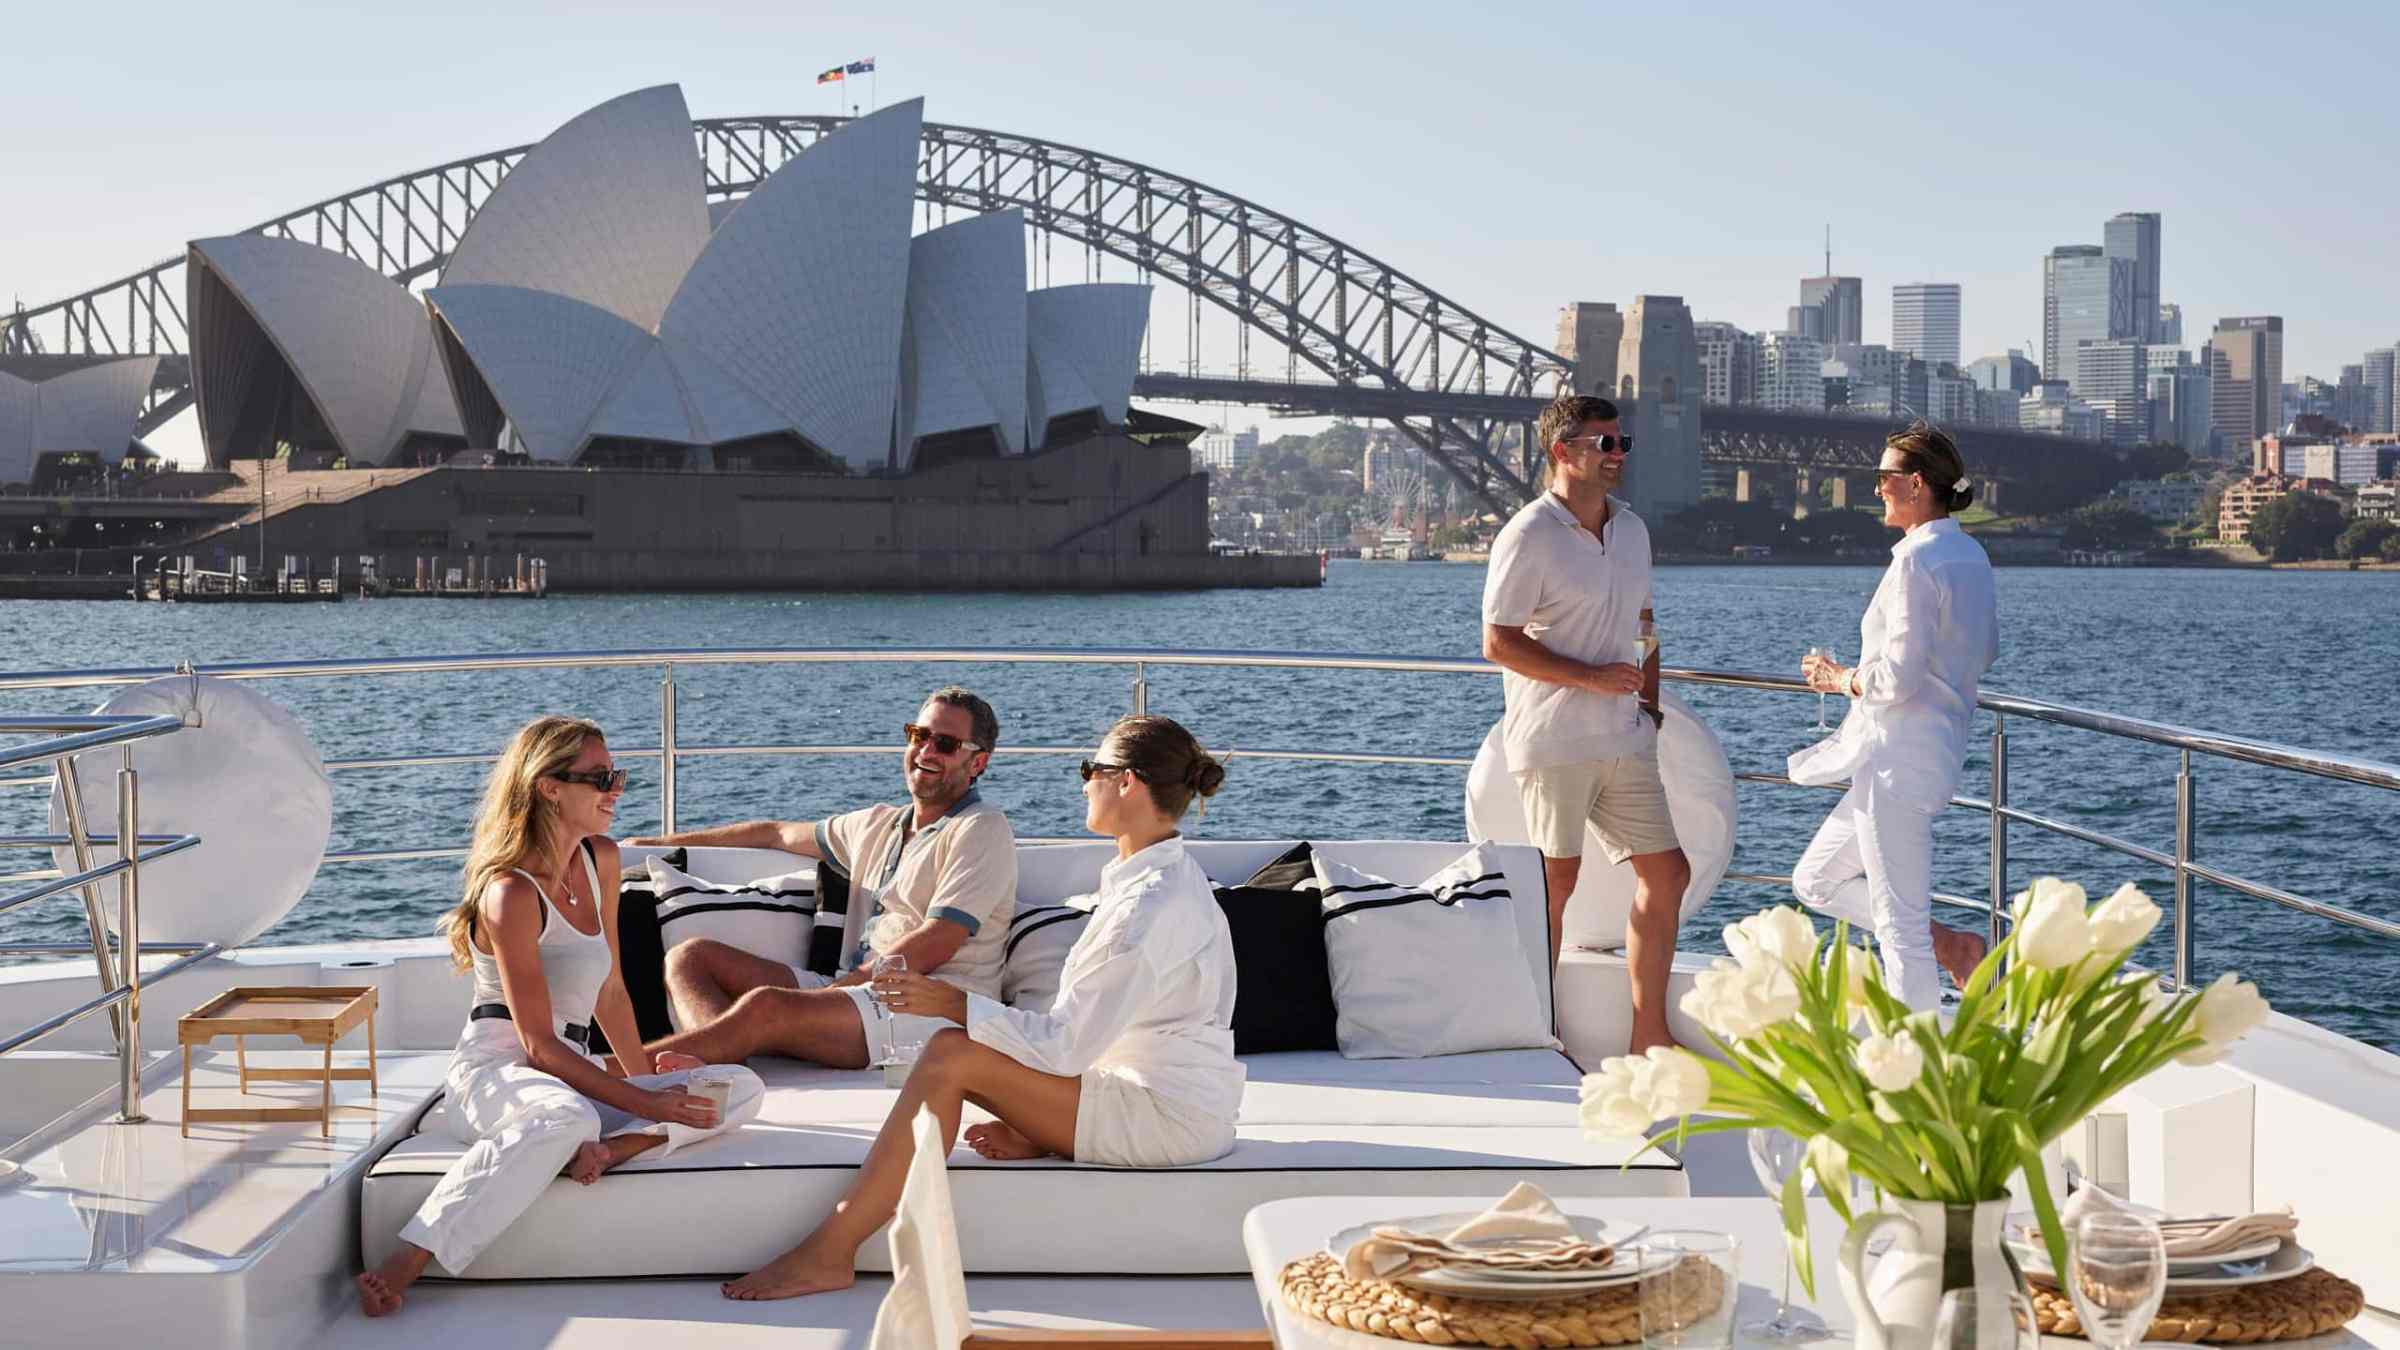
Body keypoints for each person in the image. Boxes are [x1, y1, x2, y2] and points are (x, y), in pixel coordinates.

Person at [720, 714, 1240, 1301]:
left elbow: (1066, 1047)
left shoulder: (1146, 906)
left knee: (950, 1056)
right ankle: (1041, 1133)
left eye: (1090, 770)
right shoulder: (1166, 877)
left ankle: (831, 1251)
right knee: (957, 1046)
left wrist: (952, 1002)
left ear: (1127, 782)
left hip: (1165, 1120)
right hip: (1163, 1093)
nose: (1083, 784)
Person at [357, 716, 764, 1318]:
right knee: (565, 1118)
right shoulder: (511, 892)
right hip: (497, 1068)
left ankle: (611, 1151)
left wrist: (639, 1082)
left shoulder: (601, 859)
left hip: (571, 1067)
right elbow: (537, 1045)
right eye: (600, 779)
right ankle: (411, 1257)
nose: (615, 790)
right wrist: (646, 1103)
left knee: (737, 1083)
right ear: (549, 787)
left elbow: (612, 993)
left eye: (617, 776)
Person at [623, 687, 1017, 1071]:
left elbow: (940, 937)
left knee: (766, 1005)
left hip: (926, 1009)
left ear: (977, 763)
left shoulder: (981, 828)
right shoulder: (878, 824)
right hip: (854, 992)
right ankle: (726, 1070)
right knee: (690, 958)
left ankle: (616, 1075)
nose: (926, 751)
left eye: (945, 744)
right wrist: (653, 843)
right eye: (919, 735)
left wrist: (841, 990)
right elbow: (775, 833)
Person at [1482, 392, 1692, 1055]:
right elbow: (1498, 643)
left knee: (1668, 874)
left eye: (1623, 442)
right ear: (1561, 451)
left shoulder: (1632, 530)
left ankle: (1648, 1036)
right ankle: (1533, 1035)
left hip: (1625, 738)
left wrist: (1649, 706)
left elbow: (1644, 622)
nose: (1618, 454)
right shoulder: (1528, 534)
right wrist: (1592, 678)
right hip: (1554, 741)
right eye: (1605, 443)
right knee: (1556, 885)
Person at [1791, 421, 2001, 1011]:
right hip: (1931, 752)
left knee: (1899, 930)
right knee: (1814, 880)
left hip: (1896, 763)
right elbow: (1986, 649)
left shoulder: (1915, 561)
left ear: (1915, 484)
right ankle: (1957, 947)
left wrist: (1840, 678)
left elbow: (1898, 678)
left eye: (1884, 477)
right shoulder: (1970, 553)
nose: (1876, 487)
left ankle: (1916, 1060)